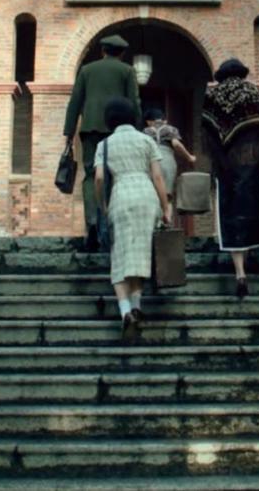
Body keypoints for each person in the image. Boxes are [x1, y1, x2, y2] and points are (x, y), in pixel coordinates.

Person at [201, 58, 259, 299]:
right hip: (253, 163)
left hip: (226, 165)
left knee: (230, 216)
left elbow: (207, 132)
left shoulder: (214, 95)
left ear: (222, 75)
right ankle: (248, 260)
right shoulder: (252, 92)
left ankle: (240, 273)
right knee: (250, 212)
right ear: (242, 73)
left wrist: (217, 161)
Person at [95, 97, 172, 342]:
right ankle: (137, 305)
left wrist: (102, 204)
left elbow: (99, 178)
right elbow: (158, 177)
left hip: (121, 195)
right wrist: (166, 207)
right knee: (140, 253)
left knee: (120, 256)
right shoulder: (146, 140)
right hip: (147, 195)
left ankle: (125, 311)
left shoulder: (104, 144)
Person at [63, 35, 142, 250]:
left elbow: (75, 102)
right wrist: (138, 129)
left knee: (91, 174)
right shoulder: (127, 71)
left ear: (103, 50)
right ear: (122, 53)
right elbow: (134, 101)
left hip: (90, 128)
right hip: (118, 130)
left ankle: (92, 221)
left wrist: (69, 131)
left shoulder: (87, 70)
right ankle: (113, 225)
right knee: (118, 174)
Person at [143, 108, 196, 207]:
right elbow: (176, 144)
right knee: (167, 198)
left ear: (149, 122)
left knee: (153, 196)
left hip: (151, 163)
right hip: (167, 162)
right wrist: (189, 157)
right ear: (165, 121)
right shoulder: (170, 129)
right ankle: (167, 215)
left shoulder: (145, 132)